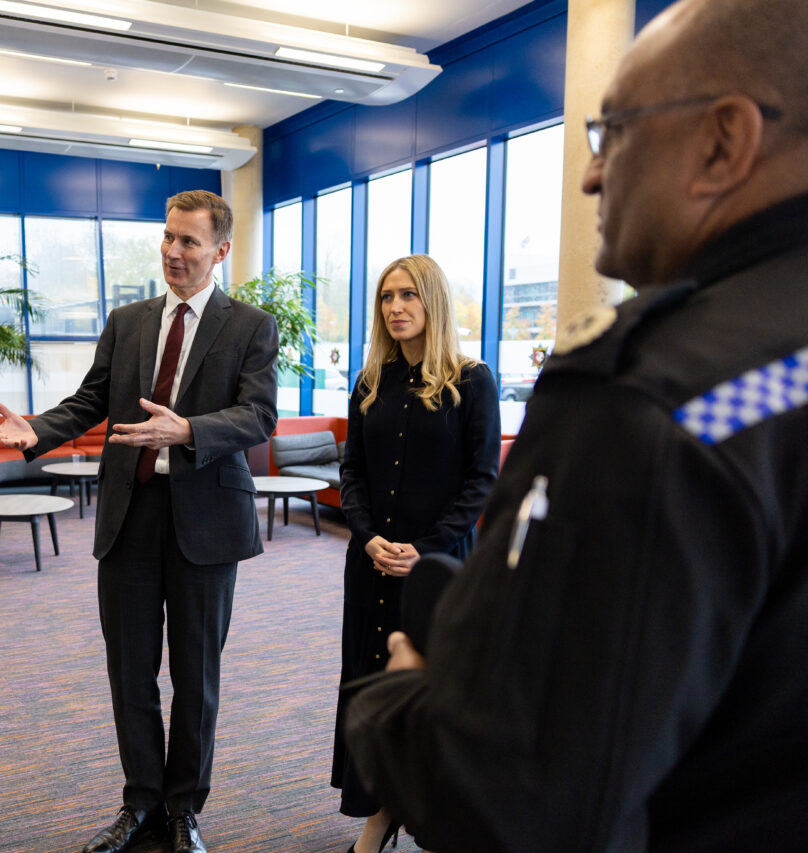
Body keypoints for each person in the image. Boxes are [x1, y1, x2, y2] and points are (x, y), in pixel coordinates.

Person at [344, 0, 808, 850]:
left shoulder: (657, 399)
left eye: (613, 132)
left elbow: (518, 797)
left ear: (722, 141)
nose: (591, 176)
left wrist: (400, 702)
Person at [0, 190, 277, 853]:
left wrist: (189, 428)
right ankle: (140, 799)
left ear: (220, 251)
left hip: (205, 520)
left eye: (190, 241)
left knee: (196, 672)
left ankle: (183, 808)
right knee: (130, 668)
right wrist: (36, 429)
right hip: (130, 515)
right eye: (169, 237)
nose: (174, 251)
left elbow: (259, 415)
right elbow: (91, 400)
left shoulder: (250, 325)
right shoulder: (128, 319)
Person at [332, 255, 499, 853]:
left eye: (408, 296)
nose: (395, 307)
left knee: (430, 693)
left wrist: (422, 550)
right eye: (386, 297)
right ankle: (378, 813)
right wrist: (366, 533)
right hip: (371, 562)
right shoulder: (370, 381)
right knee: (371, 682)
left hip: (438, 568)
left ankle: (434, 817)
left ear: (432, 303)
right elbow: (351, 471)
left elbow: (481, 480)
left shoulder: (472, 379)